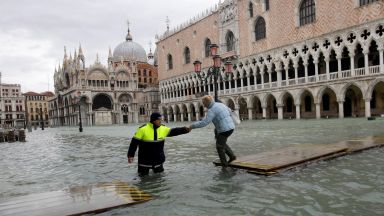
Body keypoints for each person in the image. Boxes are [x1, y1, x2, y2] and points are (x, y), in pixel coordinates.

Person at [189, 95, 236, 167]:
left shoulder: (212, 110)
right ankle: (232, 157)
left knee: (219, 146)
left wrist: (192, 126)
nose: (204, 106)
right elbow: (230, 111)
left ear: (207, 102)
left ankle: (224, 164)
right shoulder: (220, 104)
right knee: (222, 142)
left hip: (224, 129)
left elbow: (204, 122)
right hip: (231, 127)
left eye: (204, 103)